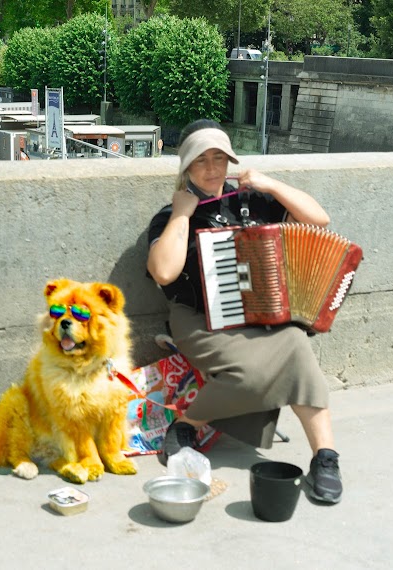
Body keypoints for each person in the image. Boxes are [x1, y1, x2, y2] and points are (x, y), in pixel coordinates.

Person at [146, 119, 344, 504]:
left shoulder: (256, 202)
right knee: (252, 374)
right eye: (201, 160)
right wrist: (182, 214)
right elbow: (165, 271)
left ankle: (325, 457)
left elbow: (319, 220)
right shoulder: (171, 216)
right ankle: (188, 425)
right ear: (185, 167)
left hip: (260, 316)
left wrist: (270, 184)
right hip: (200, 320)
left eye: (219, 157)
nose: (212, 167)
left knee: (297, 347)